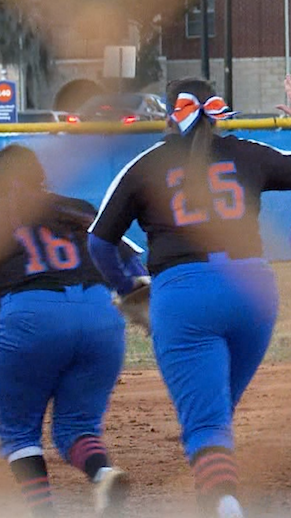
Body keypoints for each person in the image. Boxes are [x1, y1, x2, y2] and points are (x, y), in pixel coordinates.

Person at [88, 78, 290, 518]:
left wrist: (125, 288)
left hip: (186, 295)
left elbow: (99, 244)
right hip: (253, 292)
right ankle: (216, 489)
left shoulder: (146, 165)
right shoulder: (248, 152)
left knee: (206, 424)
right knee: (218, 411)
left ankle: (225, 504)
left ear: (168, 116)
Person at [0, 144, 138, 517]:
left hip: (32, 315)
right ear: (41, 175)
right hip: (100, 317)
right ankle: (102, 472)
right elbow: (133, 259)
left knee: (20, 434)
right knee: (76, 427)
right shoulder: (80, 209)